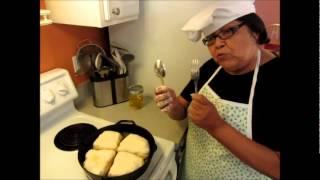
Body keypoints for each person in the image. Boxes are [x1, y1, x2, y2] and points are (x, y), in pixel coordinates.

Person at [154, 1, 281, 179]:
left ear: (255, 30)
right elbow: (182, 110)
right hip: (193, 172)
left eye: (228, 31)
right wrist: (172, 105)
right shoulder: (210, 68)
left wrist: (216, 126)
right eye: (211, 38)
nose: (218, 45)